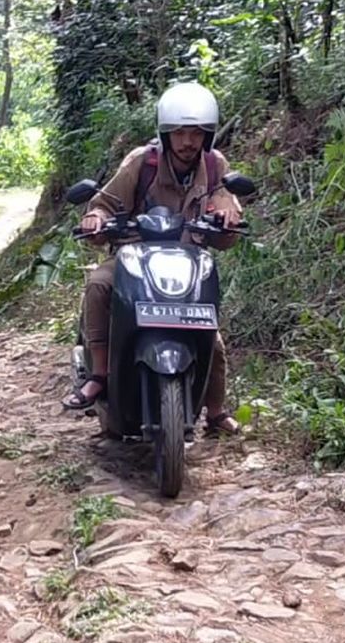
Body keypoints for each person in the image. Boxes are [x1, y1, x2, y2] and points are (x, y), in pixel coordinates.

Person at [61, 81, 244, 436]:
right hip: (134, 257)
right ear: (165, 133)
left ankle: (216, 410)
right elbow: (103, 202)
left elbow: (227, 202)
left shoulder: (214, 164)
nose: (188, 142)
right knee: (99, 284)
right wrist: (96, 217)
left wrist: (227, 211)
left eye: (196, 133)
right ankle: (99, 374)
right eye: (180, 133)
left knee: (211, 333)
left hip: (188, 259)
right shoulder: (141, 162)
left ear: (206, 136)